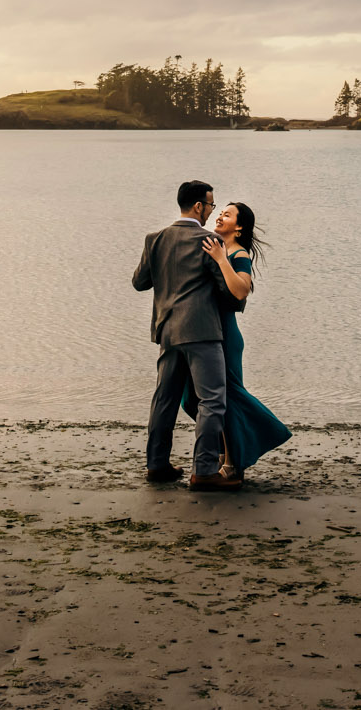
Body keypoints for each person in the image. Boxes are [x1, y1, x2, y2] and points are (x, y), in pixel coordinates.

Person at [132, 180, 236, 491]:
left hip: (167, 330)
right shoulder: (210, 242)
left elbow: (140, 283)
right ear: (198, 207)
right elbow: (226, 290)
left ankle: (157, 465)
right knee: (213, 400)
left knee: (165, 399)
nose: (211, 212)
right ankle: (204, 470)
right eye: (211, 206)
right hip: (202, 330)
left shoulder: (156, 239)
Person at [183, 201, 290, 483]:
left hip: (225, 335)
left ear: (239, 227)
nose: (220, 216)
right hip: (206, 331)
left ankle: (233, 462)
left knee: (226, 399)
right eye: (220, 212)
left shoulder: (238, 253)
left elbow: (241, 290)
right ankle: (223, 451)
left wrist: (220, 259)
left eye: (227, 215)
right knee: (192, 398)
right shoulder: (214, 245)